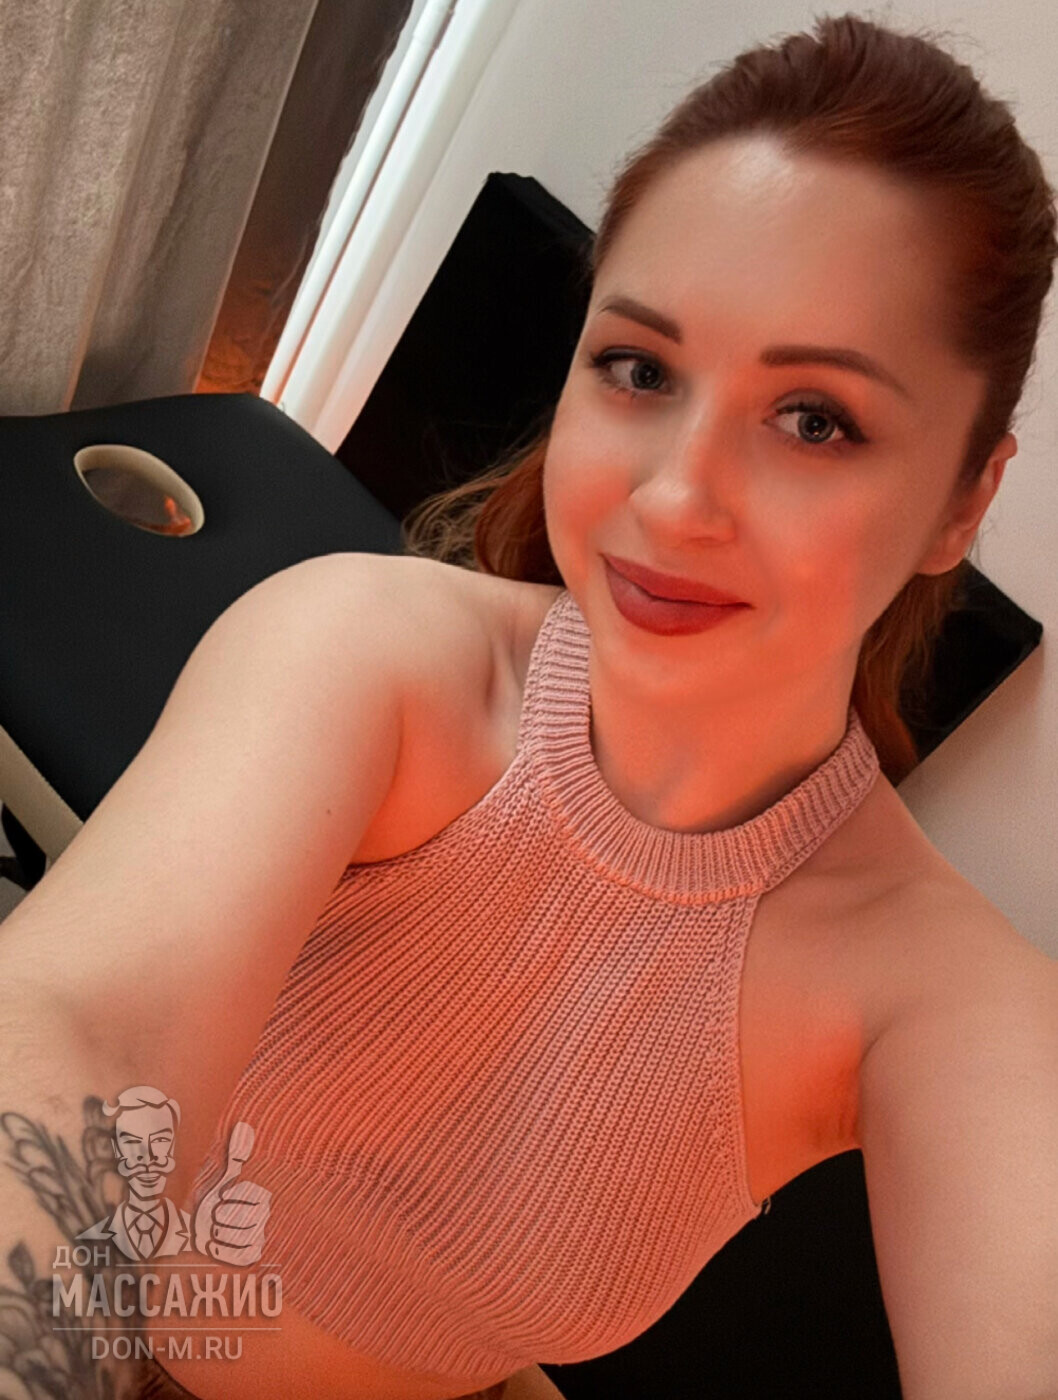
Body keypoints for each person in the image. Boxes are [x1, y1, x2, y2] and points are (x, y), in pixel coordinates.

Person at [1, 11, 1056, 1400]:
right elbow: (82, 1027)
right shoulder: (371, 652)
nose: (672, 498)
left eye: (815, 420)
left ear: (963, 502)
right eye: (639, 368)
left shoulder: (945, 997)